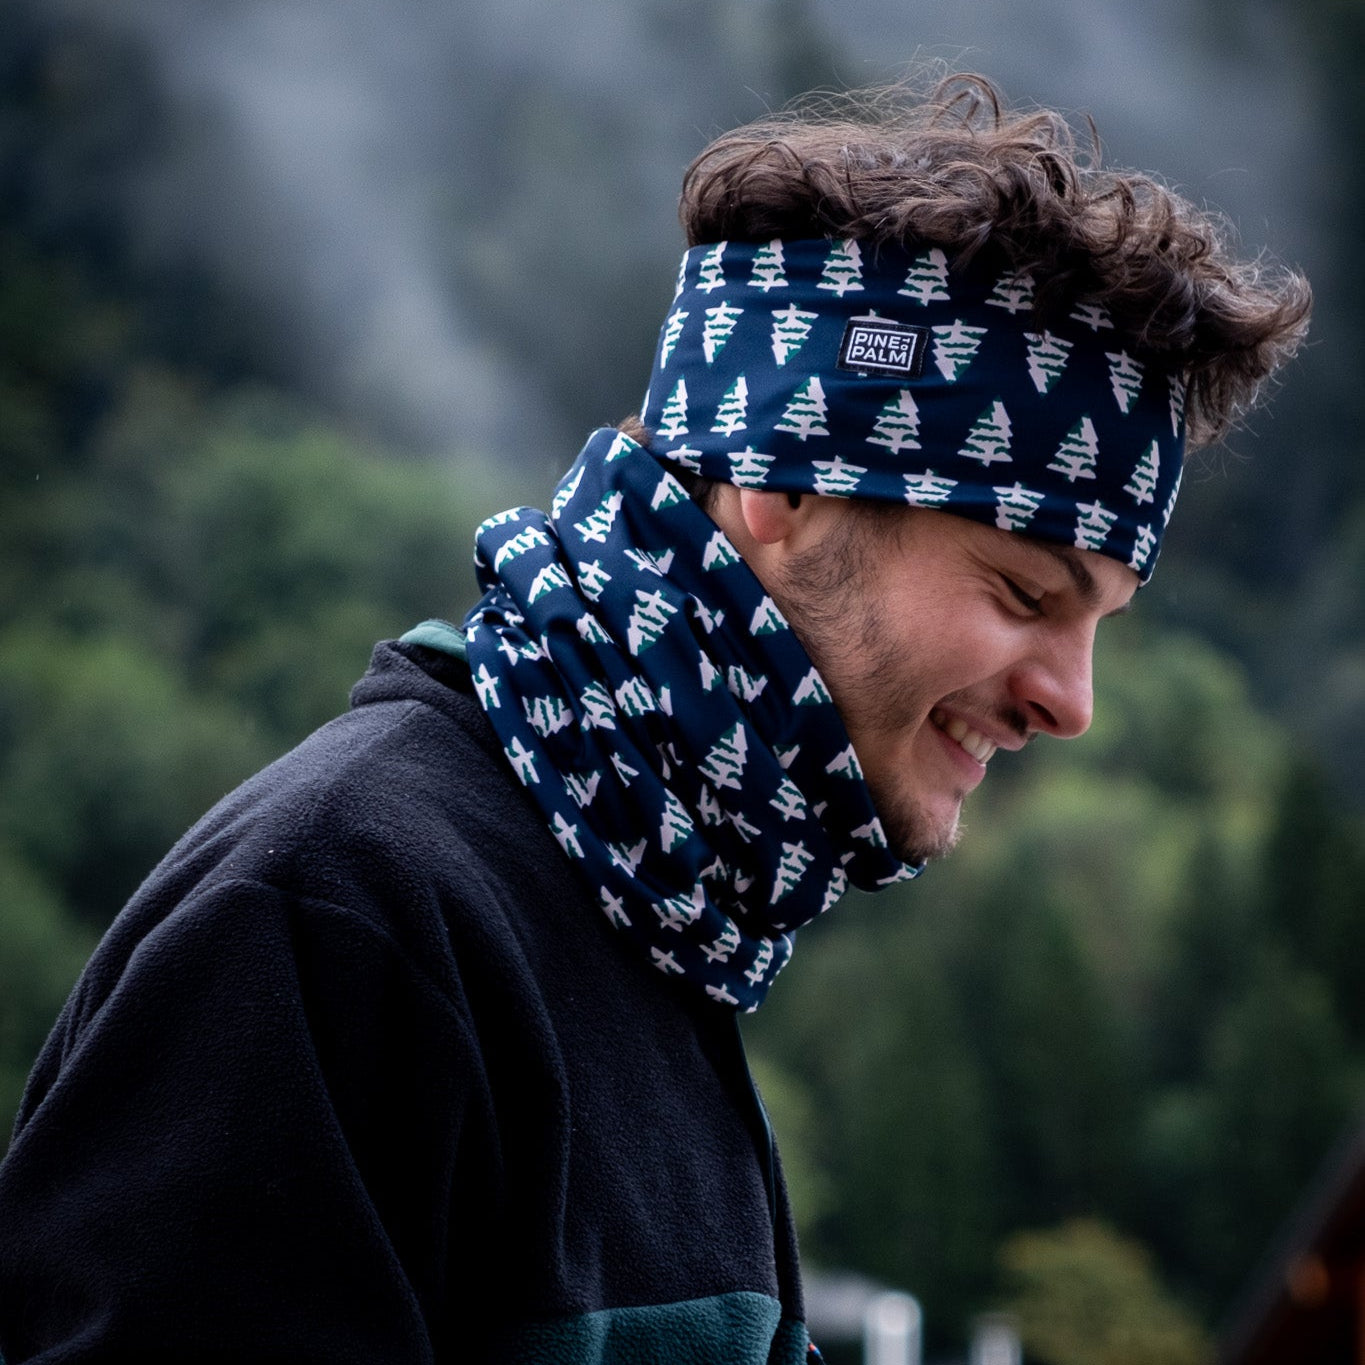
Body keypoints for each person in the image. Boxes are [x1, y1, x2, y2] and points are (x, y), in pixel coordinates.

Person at [0, 74, 1310, 1364]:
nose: (1070, 702)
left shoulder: (663, 928)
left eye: (1100, 623)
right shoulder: (343, 919)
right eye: (1024, 593)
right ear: (781, 486)